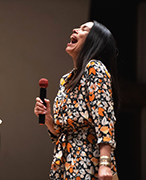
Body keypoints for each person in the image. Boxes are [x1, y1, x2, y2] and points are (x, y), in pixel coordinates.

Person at [34, 21, 120, 180]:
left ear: (94, 41)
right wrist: (48, 120)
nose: (75, 29)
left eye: (84, 29)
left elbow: (104, 118)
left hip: (87, 160)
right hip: (64, 162)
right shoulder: (66, 79)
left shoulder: (95, 68)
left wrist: (105, 163)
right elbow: (62, 132)